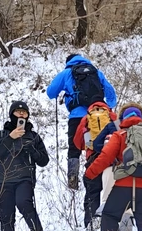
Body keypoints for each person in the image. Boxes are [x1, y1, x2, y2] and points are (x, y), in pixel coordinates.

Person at [46, 54, 117, 188]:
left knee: (75, 148)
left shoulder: (67, 73)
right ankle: (100, 175)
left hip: (77, 116)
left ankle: (73, 180)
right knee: (98, 144)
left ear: (68, 62)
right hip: (98, 115)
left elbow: (50, 93)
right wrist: (108, 107)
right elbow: (111, 93)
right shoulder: (96, 72)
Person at [0, 101, 49, 231]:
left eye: (24, 112)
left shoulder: (33, 136)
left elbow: (44, 160)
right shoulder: (2, 134)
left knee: (25, 204)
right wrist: (10, 137)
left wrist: (33, 151)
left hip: (24, 177)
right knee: (5, 213)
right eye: (18, 112)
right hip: (4, 179)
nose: (22, 114)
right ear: (11, 114)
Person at [72, 101, 118, 229]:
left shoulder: (86, 118)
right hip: (111, 158)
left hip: (93, 158)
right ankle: (113, 226)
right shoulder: (112, 116)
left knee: (93, 192)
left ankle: (90, 225)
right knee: (112, 191)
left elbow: (77, 142)